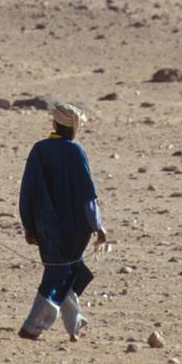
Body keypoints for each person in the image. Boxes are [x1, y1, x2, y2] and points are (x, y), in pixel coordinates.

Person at [18, 101, 107, 341]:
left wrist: (28, 225)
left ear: (55, 124)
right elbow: (87, 195)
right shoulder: (76, 152)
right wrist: (97, 226)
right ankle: (33, 326)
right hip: (74, 229)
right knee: (60, 274)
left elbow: (28, 190)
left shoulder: (39, 150)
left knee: (67, 271)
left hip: (45, 225)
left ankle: (75, 326)